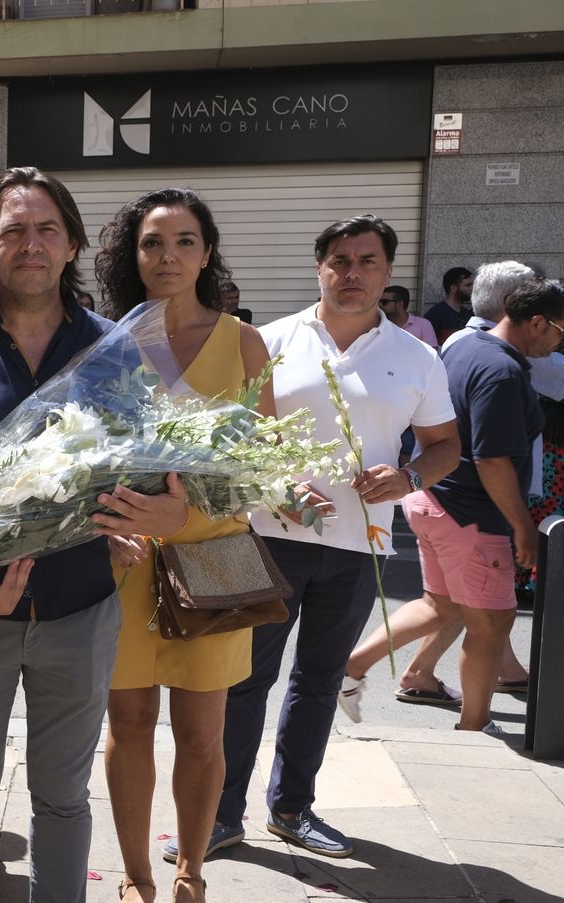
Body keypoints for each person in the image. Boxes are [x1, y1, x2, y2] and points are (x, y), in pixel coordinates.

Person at [0, 167, 187, 903]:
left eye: (46, 230)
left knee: (63, 793)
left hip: (79, 608)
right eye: (12, 231)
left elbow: (142, 465)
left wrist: (147, 518)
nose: (29, 244)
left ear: (71, 247)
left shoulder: (114, 350)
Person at [205, 216, 459, 863]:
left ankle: (291, 808)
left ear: (386, 272)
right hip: (265, 536)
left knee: (317, 682)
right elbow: (237, 436)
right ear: (319, 266)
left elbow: (445, 445)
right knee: (241, 682)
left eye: (367, 261)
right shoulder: (270, 340)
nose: (352, 273)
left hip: (360, 546)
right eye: (340, 260)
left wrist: (408, 476)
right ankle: (220, 813)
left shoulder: (418, 356)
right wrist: (278, 484)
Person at [94, 189, 273, 903]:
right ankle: (137, 876)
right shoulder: (107, 342)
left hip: (215, 559)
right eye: (152, 243)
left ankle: (190, 870)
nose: (168, 256)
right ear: (132, 255)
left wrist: (187, 506)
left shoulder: (243, 342)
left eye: (185, 241)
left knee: (203, 729)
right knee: (129, 721)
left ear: (207, 251)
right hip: (126, 559)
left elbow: (264, 466)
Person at [346, 277, 561, 736]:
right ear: (538, 322)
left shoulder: (467, 345)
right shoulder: (502, 372)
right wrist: (521, 527)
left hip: (433, 500)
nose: (562, 341)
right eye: (562, 331)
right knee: (494, 621)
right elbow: (492, 458)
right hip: (471, 514)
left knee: (442, 606)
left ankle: (348, 669)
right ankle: (474, 726)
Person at [425, 266, 475, 345]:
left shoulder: (467, 315)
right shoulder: (435, 314)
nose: (472, 288)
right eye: (468, 285)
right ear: (453, 288)